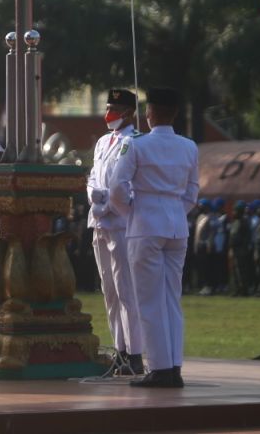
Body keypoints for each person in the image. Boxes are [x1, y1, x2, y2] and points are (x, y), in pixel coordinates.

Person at [110, 87, 199, 388]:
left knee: (148, 300)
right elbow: (192, 191)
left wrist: (131, 213)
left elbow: (117, 188)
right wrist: (176, 210)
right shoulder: (189, 147)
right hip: (176, 224)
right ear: (173, 114)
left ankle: (160, 369)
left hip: (145, 223)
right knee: (171, 298)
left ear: (149, 114)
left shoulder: (137, 146)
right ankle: (173, 366)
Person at [86, 88, 144, 375]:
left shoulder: (135, 142)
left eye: (115, 109)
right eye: (108, 107)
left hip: (121, 222)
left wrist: (107, 202)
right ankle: (119, 349)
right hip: (99, 222)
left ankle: (134, 353)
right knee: (108, 290)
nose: (109, 114)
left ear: (129, 113)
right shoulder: (102, 142)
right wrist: (94, 198)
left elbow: (130, 184)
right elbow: (94, 176)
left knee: (125, 290)